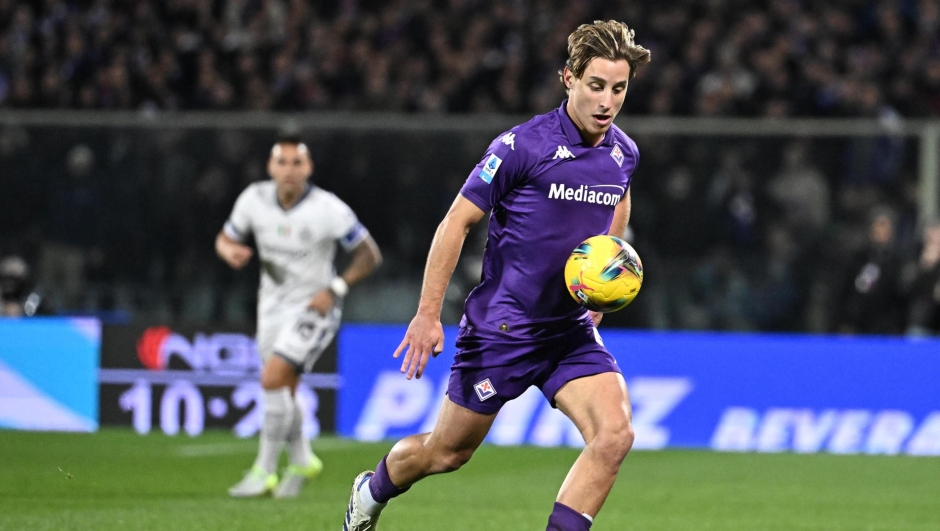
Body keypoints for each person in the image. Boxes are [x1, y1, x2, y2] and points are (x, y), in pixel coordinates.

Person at [344, 20, 650, 531]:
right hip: (502, 329)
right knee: (446, 453)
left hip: (568, 332)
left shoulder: (622, 153)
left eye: (618, 88)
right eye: (596, 85)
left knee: (615, 434)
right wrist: (426, 315)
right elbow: (455, 223)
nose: (607, 100)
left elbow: (618, 204)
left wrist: (606, 275)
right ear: (569, 79)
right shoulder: (521, 146)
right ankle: (371, 491)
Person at [216, 136, 382, 498]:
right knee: (284, 388)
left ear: (308, 169)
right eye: (283, 162)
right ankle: (303, 459)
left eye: (297, 163)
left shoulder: (328, 208)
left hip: (314, 309)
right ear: (270, 167)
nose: (289, 170)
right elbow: (224, 238)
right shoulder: (253, 200)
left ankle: (263, 471)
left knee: (272, 378)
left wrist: (335, 289)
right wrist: (229, 250)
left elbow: (369, 254)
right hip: (271, 307)